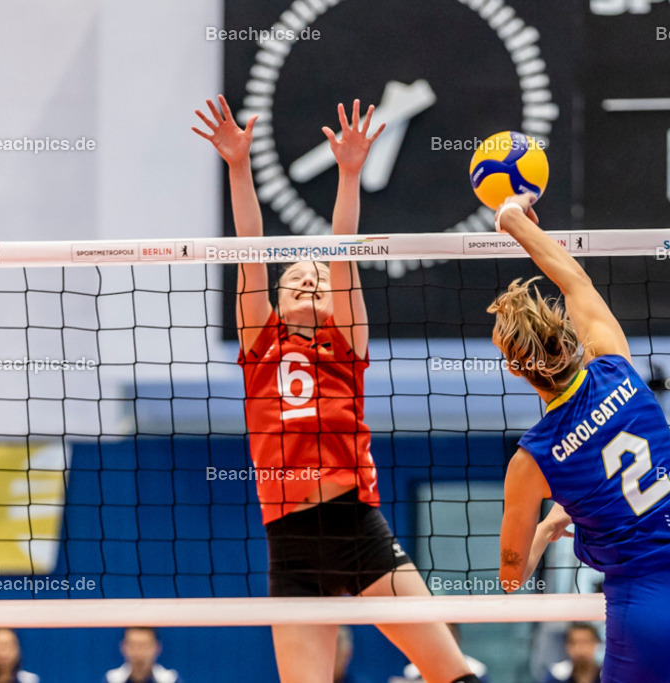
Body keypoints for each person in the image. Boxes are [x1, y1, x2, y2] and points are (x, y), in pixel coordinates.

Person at [193, 95, 478, 683]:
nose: (305, 280)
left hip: (356, 529)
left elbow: (343, 253)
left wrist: (350, 174)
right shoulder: (260, 344)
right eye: (293, 278)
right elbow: (250, 255)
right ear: (278, 297)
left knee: (454, 675)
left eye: (315, 278)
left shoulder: (344, 342)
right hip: (290, 547)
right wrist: (238, 167)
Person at [491, 192, 670, 683]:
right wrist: (513, 220)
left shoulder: (532, 459)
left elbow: (512, 578)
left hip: (645, 614)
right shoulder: (616, 368)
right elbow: (573, 279)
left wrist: (551, 528)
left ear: (515, 369)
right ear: (569, 341)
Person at [102, 627, 182, 683]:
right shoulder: (111, 680)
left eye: (144, 645)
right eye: (133, 645)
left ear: (157, 647)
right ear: (123, 647)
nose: (138, 652)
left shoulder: (171, 680)